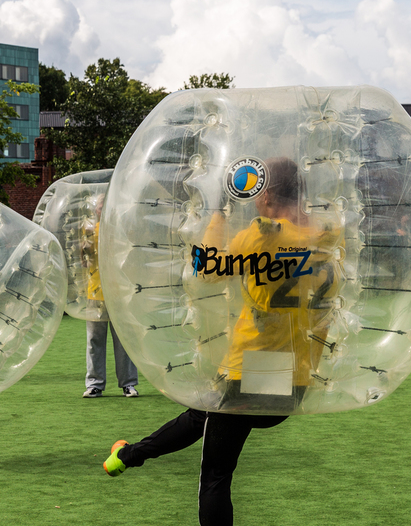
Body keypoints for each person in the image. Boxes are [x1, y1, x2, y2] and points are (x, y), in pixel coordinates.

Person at [101, 157, 340, 525]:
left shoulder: (265, 235)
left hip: (253, 369)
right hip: (297, 376)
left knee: (215, 476)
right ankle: (129, 455)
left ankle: (129, 455)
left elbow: (206, 268)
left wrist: (216, 212)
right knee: (207, 413)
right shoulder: (325, 237)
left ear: (265, 196)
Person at [80, 197, 139, 398]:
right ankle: (95, 384)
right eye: (99, 205)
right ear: (95, 210)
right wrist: (84, 244)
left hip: (119, 292)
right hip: (95, 292)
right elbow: (84, 261)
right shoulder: (88, 229)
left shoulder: (120, 229)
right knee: (94, 339)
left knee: (123, 339)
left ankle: (128, 383)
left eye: (105, 205)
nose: (102, 209)